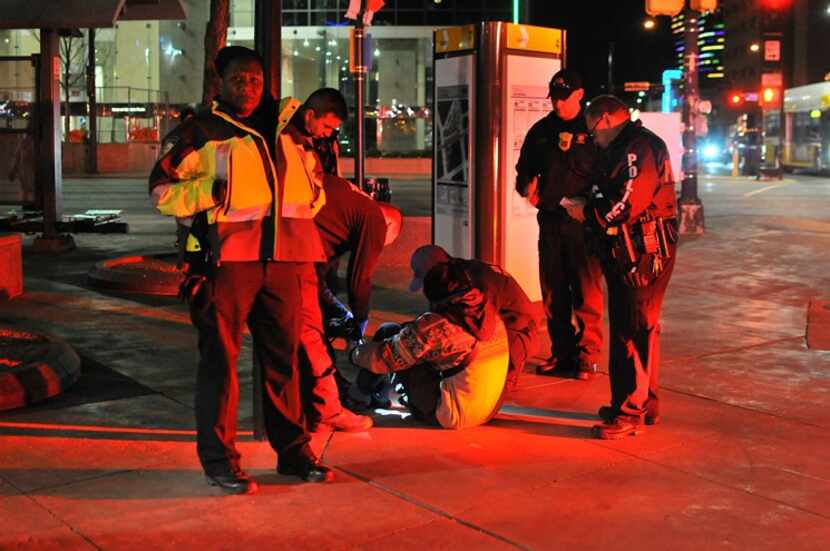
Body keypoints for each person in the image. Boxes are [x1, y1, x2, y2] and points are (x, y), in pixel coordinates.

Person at [149, 46, 334, 494]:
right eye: (238, 79)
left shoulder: (291, 131)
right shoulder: (201, 132)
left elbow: (315, 188)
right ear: (221, 83)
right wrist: (210, 191)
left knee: (284, 362)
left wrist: (315, 194)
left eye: (254, 78)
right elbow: (161, 192)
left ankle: (294, 453)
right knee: (220, 365)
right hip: (227, 264)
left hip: (286, 262)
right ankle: (219, 461)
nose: (247, 86)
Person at [562, 95, 678, 440]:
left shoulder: (634, 149)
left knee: (633, 330)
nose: (592, 137)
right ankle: (642, 403)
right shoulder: (635, 145)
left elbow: (626, 202)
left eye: (593, 130)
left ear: (606, 120)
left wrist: (587, 212)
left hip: (641, 252)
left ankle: (630, 411)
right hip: (640, 249)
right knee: (640, 328)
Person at [283, 88, 375, 433]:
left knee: (305, 328)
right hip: (295, 252)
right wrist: (360, 324)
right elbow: (360, 278)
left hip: (300, 253)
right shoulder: (288, 143)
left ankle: (316, 405)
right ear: (309, 114)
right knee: (308, 331)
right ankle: (326, 408)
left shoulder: (304, 144)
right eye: (326, 126)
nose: (328, 134)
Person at [515, 68, 604, 381]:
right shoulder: (541, 131)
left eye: (564, 99)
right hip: (551, 221)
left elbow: (609, 175)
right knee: (553, 292)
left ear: (579, 95)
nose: (557, 104)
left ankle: (587, 356)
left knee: (587, 291)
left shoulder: (595, 131)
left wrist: (594, 206)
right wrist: (526, 187)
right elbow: (524, 169)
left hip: (584, 226)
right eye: (553, 98)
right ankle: (562, 353)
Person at [350, 260, 509, 429]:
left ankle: (357, 397)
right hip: (487, 411)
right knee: (407, 343)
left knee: (388, 333)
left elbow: (383, 358)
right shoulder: (489, 313)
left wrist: (354, 353)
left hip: (452, 415)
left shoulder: (437, 327)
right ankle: (375, 394)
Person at [407, 245, 537, 390]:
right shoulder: (451, 277)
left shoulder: (477, 281)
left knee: (489, 387)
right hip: (497, 326)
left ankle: (508, 373)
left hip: (518, 332)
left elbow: (484, 330)